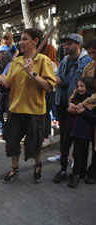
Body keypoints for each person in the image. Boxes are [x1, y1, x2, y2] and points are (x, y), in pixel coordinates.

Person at [0, 28, 56, 184]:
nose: (20, 42)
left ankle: (38, 165)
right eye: (21, 39)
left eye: (24, 39)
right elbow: (5, 82)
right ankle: (14, 169)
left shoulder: (44, 61)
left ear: (35, 41)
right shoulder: (16, 62)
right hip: (16, 109)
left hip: (35, 111)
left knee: (33, 143)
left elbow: (49, 87)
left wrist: (33, 74)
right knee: (12, 142)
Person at [50, 34, 92, 162]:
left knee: (78, 133)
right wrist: (57, 79)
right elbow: (61, 78)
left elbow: (88, 85)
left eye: (69, 43)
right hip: (62, 102)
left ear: (78, 45)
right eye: (65, 43)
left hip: (77, 104)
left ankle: (76, 158)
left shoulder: (87, 61)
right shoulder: (64, 61)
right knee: (64, 130)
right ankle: (64, 155)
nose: (65, 46)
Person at [53, 77, 95, 188]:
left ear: (88, 87)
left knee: (78, 154)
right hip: (69, 130)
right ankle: (63, 171)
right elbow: (69, 115)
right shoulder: (75, 98)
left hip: (82, 132)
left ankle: (76, 174)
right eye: (78, 86)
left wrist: (83, 112)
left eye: (82, 86)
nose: (79, 88)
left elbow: (93, 118)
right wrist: (69, 111)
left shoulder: (92, 101)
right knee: (64, 151)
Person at [75, 37, 96, 184]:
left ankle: (93, 172)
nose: (92, 56)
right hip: (85, 108)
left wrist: (84, 103)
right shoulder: (89, 67)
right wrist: (73, 101)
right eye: (90, 54)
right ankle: (79, 171)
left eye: (94, 53)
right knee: (81, 141)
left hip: (89, 107)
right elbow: (80, 86)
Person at [0, 50, 12, 139]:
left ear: (4, 58)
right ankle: (2, 131)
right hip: (0, 93)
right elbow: (0, 81)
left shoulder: (9, 66)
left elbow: (4, 79)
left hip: (8, 93)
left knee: (9, 115)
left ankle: (8, 132)